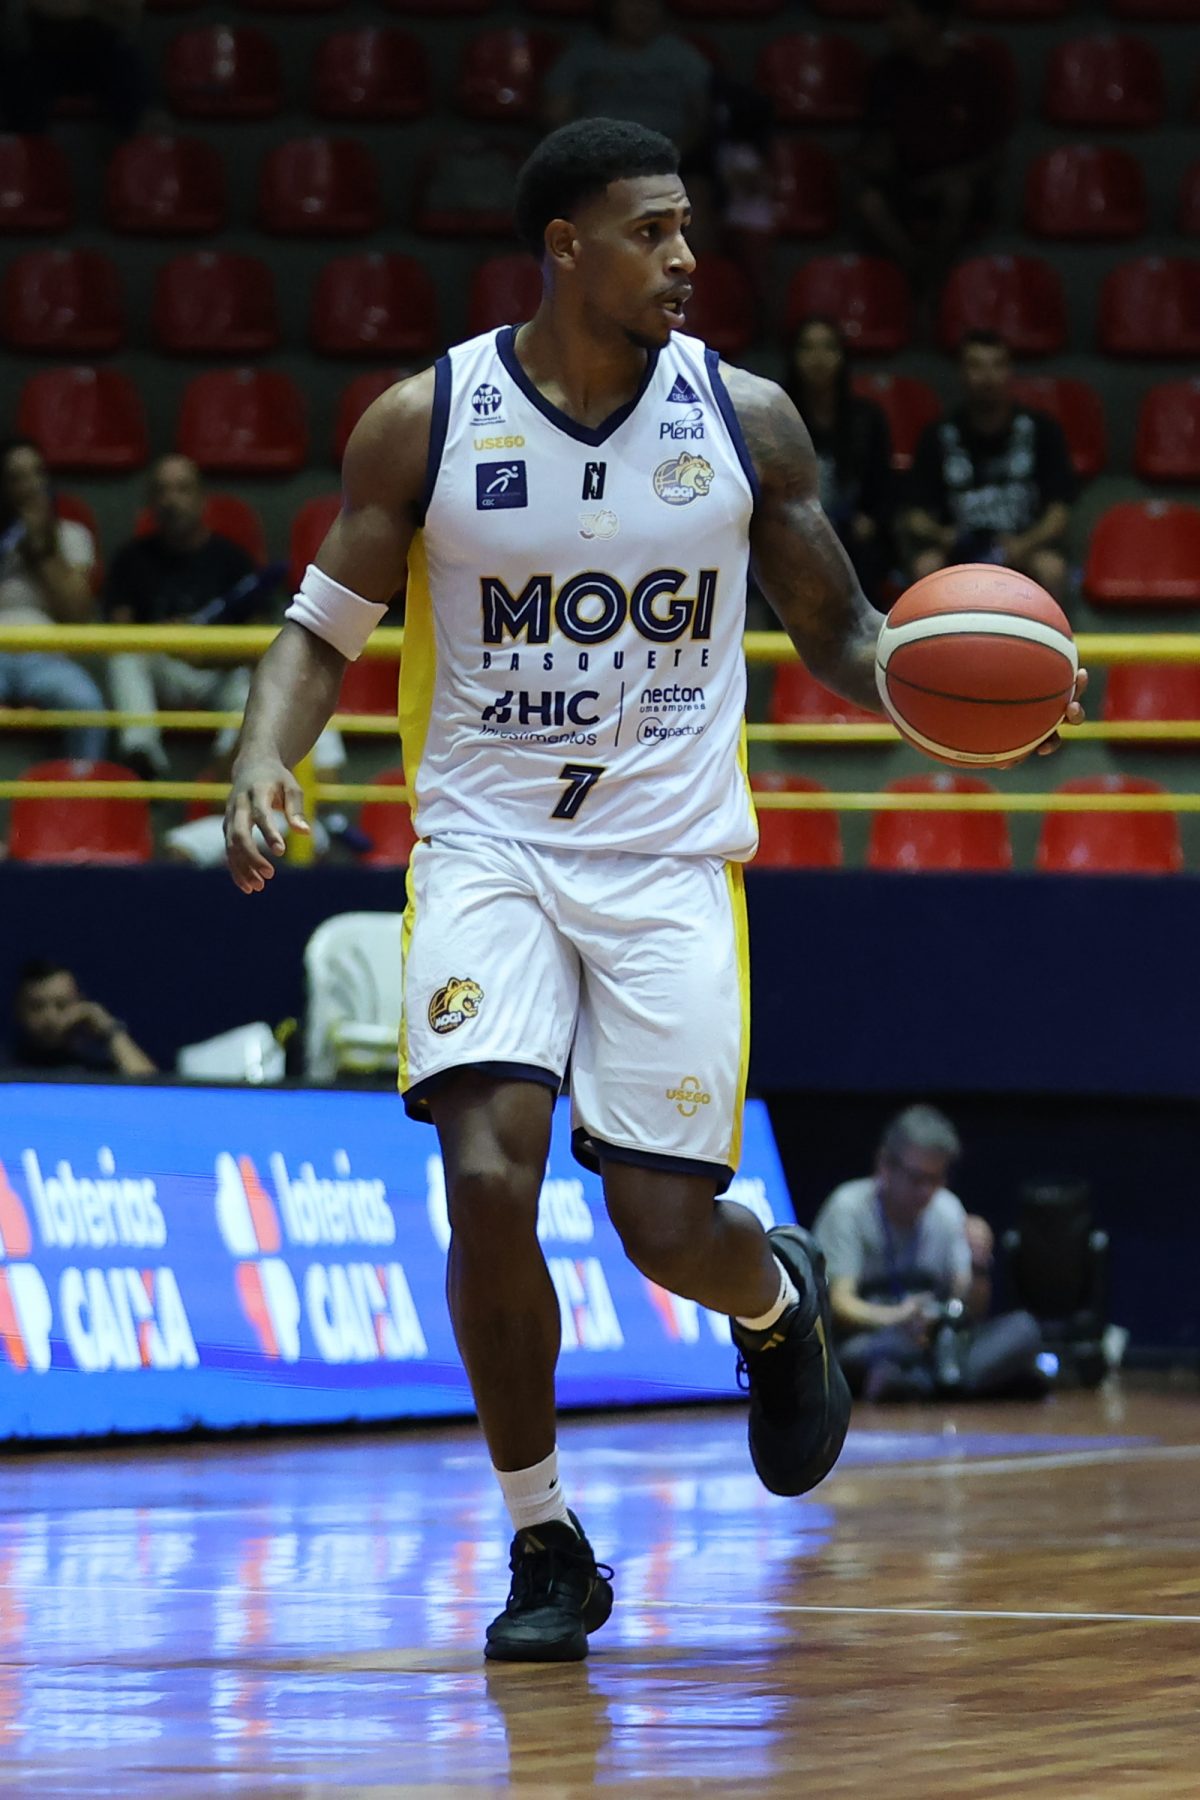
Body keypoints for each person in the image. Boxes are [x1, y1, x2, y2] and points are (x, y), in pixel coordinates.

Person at [223, 119, 1084, 1664]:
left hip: (670, 861)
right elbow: (317, 632)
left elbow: (846, 632)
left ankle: (775, 1304)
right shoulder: (426, 423)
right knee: (488, 1180)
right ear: (566, 246)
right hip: (489, 849)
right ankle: (544, 1536)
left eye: (689, 228)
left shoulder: (745, 423)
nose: (688, 257)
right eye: (654, 230)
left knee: (664, 1229)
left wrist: (972, 695)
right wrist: (259, 757)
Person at [813, 1105, 1046, 1402]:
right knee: (859, 1353)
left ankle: (918, 1383)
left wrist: (979, 1267)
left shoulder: (947, 1210)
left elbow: (970, 1311)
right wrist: (897, 1317)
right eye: (916, 1178)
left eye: (935, 1180)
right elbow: (840, 1304)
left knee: (1025, 1329)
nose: (926, 1192)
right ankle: (952, 1383)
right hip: (873, 1339)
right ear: (884, 1165)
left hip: (933, 1345)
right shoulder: (848, 1208)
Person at [104, 455, 266, 779]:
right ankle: (142, 755)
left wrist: (206, 653)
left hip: (218, 669)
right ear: (150, 502)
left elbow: (258, 642)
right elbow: (119, 631)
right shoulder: (130, 559)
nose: (171, 500)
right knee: (123, 659)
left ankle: (226, 765)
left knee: (252, 685)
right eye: (162, 491)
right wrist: (163, 636)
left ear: (201, 499)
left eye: (182, 489)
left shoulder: (232, 559)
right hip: (161, 664)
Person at [904, 331, 1076, 603]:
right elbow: (915, 516)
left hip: (1023, 545)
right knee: (925, 566)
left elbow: (1058, 515)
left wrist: (1024, 544)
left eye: (997, 365)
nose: (987, 376)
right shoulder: (937, 434)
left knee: (1052, 568)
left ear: (1010, 371)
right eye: (976, 366)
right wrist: (943, 535)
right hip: (957, 549)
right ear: (961, 373)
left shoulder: (1042, 430)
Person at [852, 0, 1009, 292]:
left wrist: (952, 176)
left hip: (961, 179)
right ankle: (921, 276)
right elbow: (878, 145)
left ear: (930, 22)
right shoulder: (885, 73)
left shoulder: (974, 73)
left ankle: (932, 286)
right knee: (869, 203)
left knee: (957, 194)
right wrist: (872, 159)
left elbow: (995, 155)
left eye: (900, 16)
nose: (889, 26)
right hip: (906, 181)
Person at [0, 436, 105, 763]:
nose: (31, 486)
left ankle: (81, 790)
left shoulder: (73, 536)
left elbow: (78, 613)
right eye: (17, 478)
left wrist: (43, 550)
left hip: (46, 657)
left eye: (37, 474)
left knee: (88, 707)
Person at [786, 316, 894, 605]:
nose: (818, 358)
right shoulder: (776, 416)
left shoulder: (867, 419)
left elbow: (884, 489)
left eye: (828, 347)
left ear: (842, 356)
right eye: (807, 348)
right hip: (791, 535)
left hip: (852, 537)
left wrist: (870, 520)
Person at [0, 0, 149, 137]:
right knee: (19, 80)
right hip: (43, 49)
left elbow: (130, 11)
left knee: (129, 72)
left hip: (102, 50)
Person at [5, 958, 156, 1077]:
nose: (50, 1017)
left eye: (62, 1005)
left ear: (79, 1005)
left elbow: (151, 1092)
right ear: (18, 1009)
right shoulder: (5, 1066)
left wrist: (109, 1029)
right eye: (37, 1006)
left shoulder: (97, 1065)